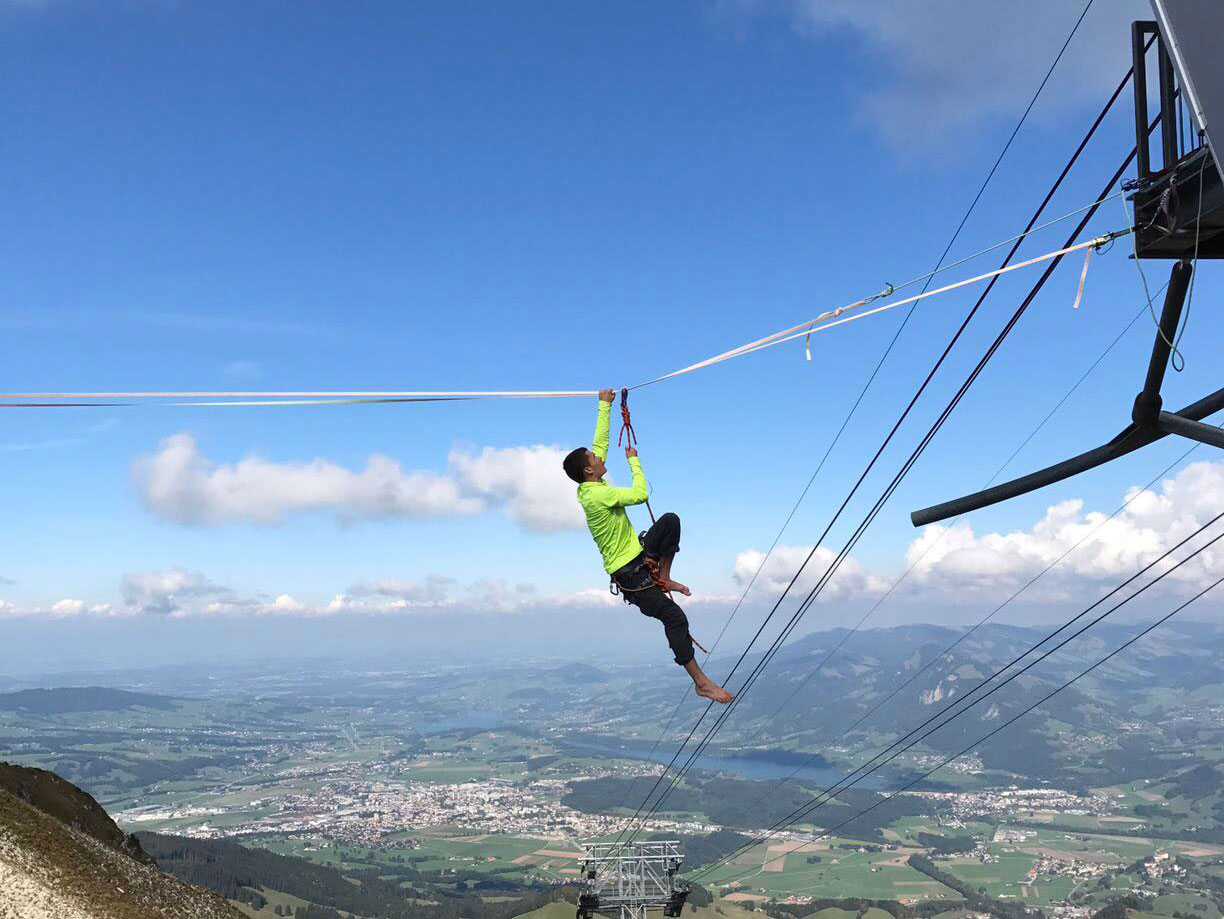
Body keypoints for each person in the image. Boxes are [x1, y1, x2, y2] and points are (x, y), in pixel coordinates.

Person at [563, 389, 734, 704]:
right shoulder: (600, 494)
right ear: (588, 470)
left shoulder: (592, 483)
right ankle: (701, 683)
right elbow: (640, 494)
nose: (600, 457)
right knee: (674, 617)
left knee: (669, 521)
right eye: (594, 459)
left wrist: (604, 404)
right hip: (630, 574)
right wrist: (634, 461)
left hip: (637, 556)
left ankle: (665, 575)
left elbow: (599, 442)